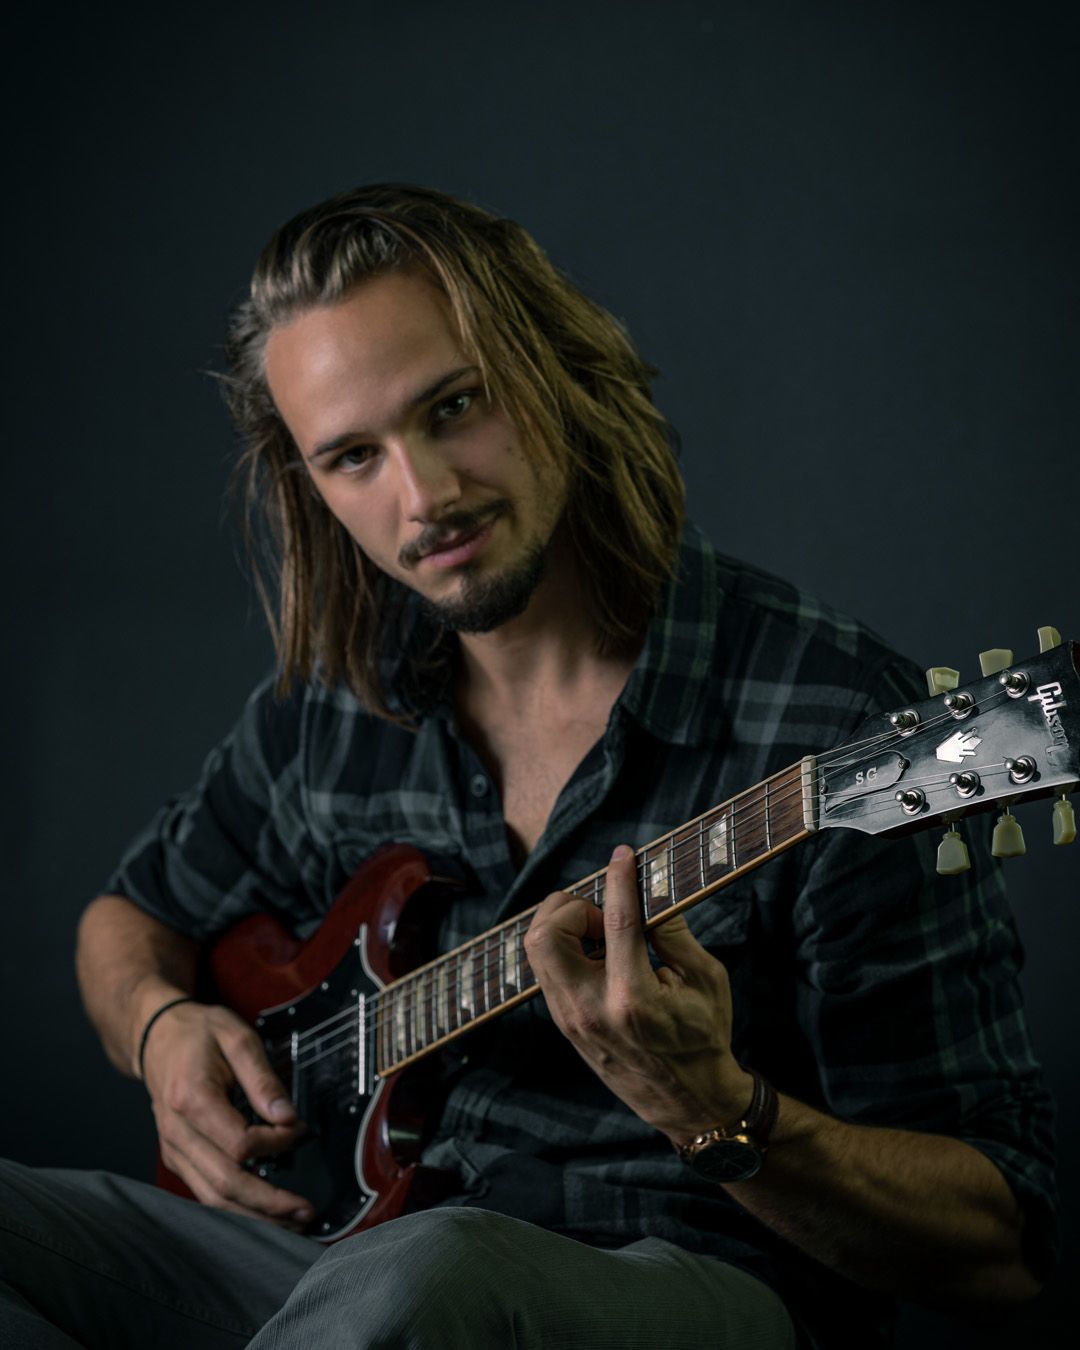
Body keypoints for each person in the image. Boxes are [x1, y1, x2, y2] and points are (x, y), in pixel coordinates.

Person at [0, 185, 1057, 1349]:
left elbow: (1004, 1251)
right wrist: (160, 1031)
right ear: (309, 487)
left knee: (427, 1273)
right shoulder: (333, 709)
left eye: (454, 406)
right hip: (334, 1261)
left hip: (679, 1276)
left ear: (550, 365)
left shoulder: (838, 719)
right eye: (354, 457)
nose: (426, 496)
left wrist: (713, 1107)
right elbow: (124, 922)